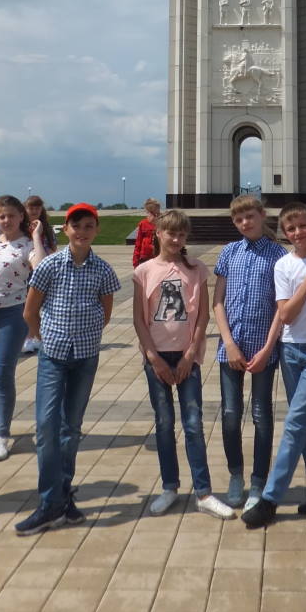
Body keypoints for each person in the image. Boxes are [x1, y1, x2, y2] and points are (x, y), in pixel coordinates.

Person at [15, 203, 120, 535]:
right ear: (66, 229)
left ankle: (61, 496)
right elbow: (30, 311)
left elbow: (105, 313)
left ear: (96, 230)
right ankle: (50, 502)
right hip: (54, 356)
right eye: (76, 226)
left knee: (71, 428)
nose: (82, 232)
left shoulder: (103, 270)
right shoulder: (49, 265)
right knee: (47, 427)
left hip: (85, 357)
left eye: (89, 226)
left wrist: (85, 334)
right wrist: (43, 337)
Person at [133, 210, 234, 520]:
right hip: (157, 357)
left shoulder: (197, 269)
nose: (176, 239)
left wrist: (191, 353)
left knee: (193, 423)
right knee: (164, 423)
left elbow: (203, 315)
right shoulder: (144, 271)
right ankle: (169, 487)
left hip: (187, 356)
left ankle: (203, 492)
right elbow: (138, 319)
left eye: (181, 234)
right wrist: (153, 358)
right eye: (170, 233)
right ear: (158, 234)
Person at [242, 202, 306, 529]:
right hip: (291, 350)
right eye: (291, 229)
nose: (298, 233)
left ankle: (270, 498)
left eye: (303, 226)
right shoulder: (283, 265)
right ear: (284, 232)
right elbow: (286, 315)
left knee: (295, 422)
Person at [213, 195, 285, 512]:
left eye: (250, 217)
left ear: (262, 215)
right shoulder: (229, 252)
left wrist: (268, 349)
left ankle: (258, 481)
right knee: (230, 415)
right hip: (231, 348)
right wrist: (228, 342)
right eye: (239, 219)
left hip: (262, 351)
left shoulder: (278, 255)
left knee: (261, 415)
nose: (245, 223)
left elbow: (281, 308)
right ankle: (235, 475)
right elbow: (217, 302)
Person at [0, 196, 46, 461]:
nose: (6, 220)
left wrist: (36, 236)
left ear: (21, 217)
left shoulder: (27, 245)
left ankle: (2, 436)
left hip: (13, 314)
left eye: (11, 215)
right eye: (2, 216)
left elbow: (40, 266)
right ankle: (1, 406)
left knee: (4, 373)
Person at [21, 194, 57, 354]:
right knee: (27, 307)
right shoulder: (22, 228)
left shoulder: (46, 228)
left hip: (43, 271)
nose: (34, 210)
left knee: (39, 306)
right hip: (25, 272)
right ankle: (30, 337)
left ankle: (38, 336)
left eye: (37, 207)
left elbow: (53, 248)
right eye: (31, 207)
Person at [132, 199, 161, 269]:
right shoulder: (143, 224)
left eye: (158, 213)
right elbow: (138, 244)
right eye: (153, 213)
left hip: (158, 257)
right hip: (145, 258)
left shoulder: (162, 223)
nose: (155, 216)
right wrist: (135, 261)